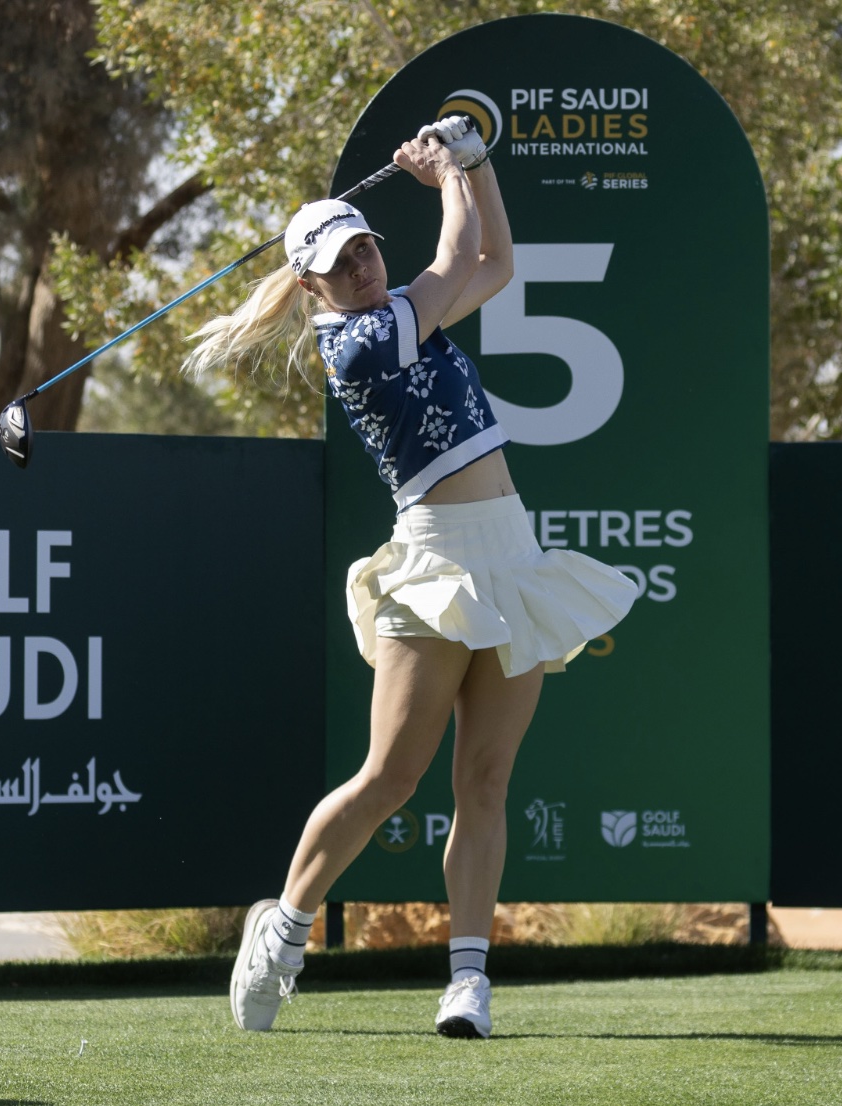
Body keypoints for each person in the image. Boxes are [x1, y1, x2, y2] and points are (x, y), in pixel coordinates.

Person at [181, 118, 641, 1038]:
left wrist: (477, 167)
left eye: (364, 248)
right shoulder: (357, 341)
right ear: (312, 283)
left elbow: (496, 261)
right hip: (434, 558)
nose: (360, 266)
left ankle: (467, 982)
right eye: (340, 261)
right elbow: (461, 245)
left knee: (486, 778)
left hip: (511, 553)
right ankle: (283, 928)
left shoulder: (399, 314)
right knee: (390, 775)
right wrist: (455, 170)